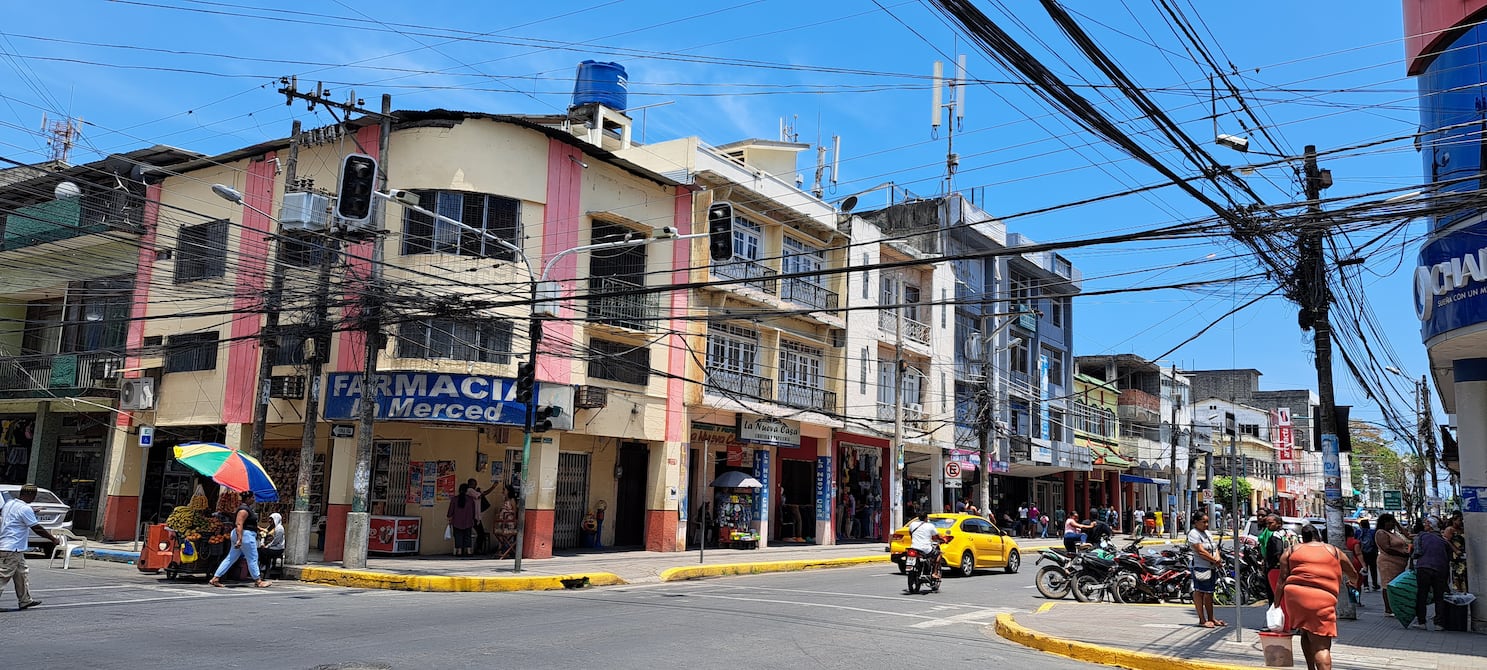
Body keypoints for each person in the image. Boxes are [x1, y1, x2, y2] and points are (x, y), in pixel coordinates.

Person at [1278, 523, 1359, 670]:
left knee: (1305, 631)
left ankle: (1310, 668)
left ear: (1303, 538)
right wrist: (1353, 583)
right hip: (1322, 599)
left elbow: (1282, 580)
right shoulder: (1333, 551)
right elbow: (1353, 573)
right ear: (1318, 536)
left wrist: (1276, 605)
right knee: (1321, 646)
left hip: (1295, 598)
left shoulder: (1290, 551)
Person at [0, 484, 56, 610]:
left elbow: (17, 514)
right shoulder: (25, 509)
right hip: (11, 548)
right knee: (3, 576)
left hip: (13, 547)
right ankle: (24, 599)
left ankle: (25, 600)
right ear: (32, 495)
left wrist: (32, 510)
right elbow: (37, 528)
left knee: (22, 573)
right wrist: (53, 539)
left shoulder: (10, 504)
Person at [209, 490, 270, 588]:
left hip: (243, 534)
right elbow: (239, 524)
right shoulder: (243, 510)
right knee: (253, 557)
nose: (253, 499)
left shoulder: (246, 509)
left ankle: (215, 578)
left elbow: (247, 523)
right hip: (245, 535)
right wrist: (240, 539)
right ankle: (258, 581)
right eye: (252, 498)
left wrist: (259, 528)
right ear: (248, 498)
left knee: (231, 557)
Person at [1411, 516, 1453, 630]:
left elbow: (1416, 553)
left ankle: (1421, 622)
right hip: (1440, 569)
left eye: (1426, 524)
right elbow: (1449, 557)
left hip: (1424, 568)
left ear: (1429, 525)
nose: (1424, 525)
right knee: (1439, 596)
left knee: (1422, 594)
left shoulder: (1421, 536)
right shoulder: (1443, 541)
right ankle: (1439, 623)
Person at [1188, 512, 1225, 628]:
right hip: (1201, 567)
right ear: (1196, 522)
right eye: (1203, 522)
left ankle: (1211, 618)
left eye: (1207, 521)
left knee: (1209, 594)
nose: (1206, 524)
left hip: (1211, 566)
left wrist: (1217, 558)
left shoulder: (1207, 533)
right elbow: (1200, 551)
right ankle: (1202, 620)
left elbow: (1214, 547)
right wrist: (1215, 561)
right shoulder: (1193, 534)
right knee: (1200, 592)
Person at [1373, 513, 1411, 617]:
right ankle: (1388, 609)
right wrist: (1403, 553)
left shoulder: (1392, 533)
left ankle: (1395, 606)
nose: (1392, 524)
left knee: (1396, 584)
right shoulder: (1381, 533)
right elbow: (1387, 548)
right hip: (1388, 563)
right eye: (1391, 522)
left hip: (1399, 564)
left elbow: (1407, 535)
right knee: (1387, 584)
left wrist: (1398, 525)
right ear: (1385, 523)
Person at [1258, 515, 1287, 627]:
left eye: (1271, 523)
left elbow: (1278, 554)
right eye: (1267, 524)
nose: (1268, 526)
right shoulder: (1287, 534)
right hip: (1284, 570)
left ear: (1279, 524)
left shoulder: (1276, 536)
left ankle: (1275, 623)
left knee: (1274, 597)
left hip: (1275, 570)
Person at [906, 511, 942, 584]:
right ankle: (934, 573)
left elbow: (910, 533)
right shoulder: (930, 526)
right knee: (939, 554)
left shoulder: (912, 524)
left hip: (913, 547)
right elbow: (937, 537)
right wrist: (942, 539)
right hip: (926, 549)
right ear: (926, 518)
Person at [447, 482, 479, 557]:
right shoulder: (470, 500)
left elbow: (450, 511)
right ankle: (469, 551)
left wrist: (449, 517)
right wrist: (473, 519)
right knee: (467, 536)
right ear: (466, 490)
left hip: (457, 521)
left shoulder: (454, 499)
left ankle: (459, 551)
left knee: (458, 536)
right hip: (468, 521)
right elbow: (473, 511)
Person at [258, 512, 285, 576]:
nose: (270, 521)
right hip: (268, 546)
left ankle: (264, 567)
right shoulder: (270, 527)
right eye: (269, 519)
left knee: (263, 552)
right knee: (259, 550)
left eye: (271, 519)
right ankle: (263, 567)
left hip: (277, 548)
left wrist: (267, 546)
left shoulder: (279, 529)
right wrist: (262, 543)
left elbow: (276, 541)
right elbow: (264, 535)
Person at [1356, 518, 1378, 592]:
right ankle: (1375, 584)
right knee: (1373, 569)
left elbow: (1356, 542)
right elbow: (1376, 542)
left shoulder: (1358, 532)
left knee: (1364, 569)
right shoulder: (1373, 532)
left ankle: (1366, 586)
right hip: (1372, 553)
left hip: (1362, 553)